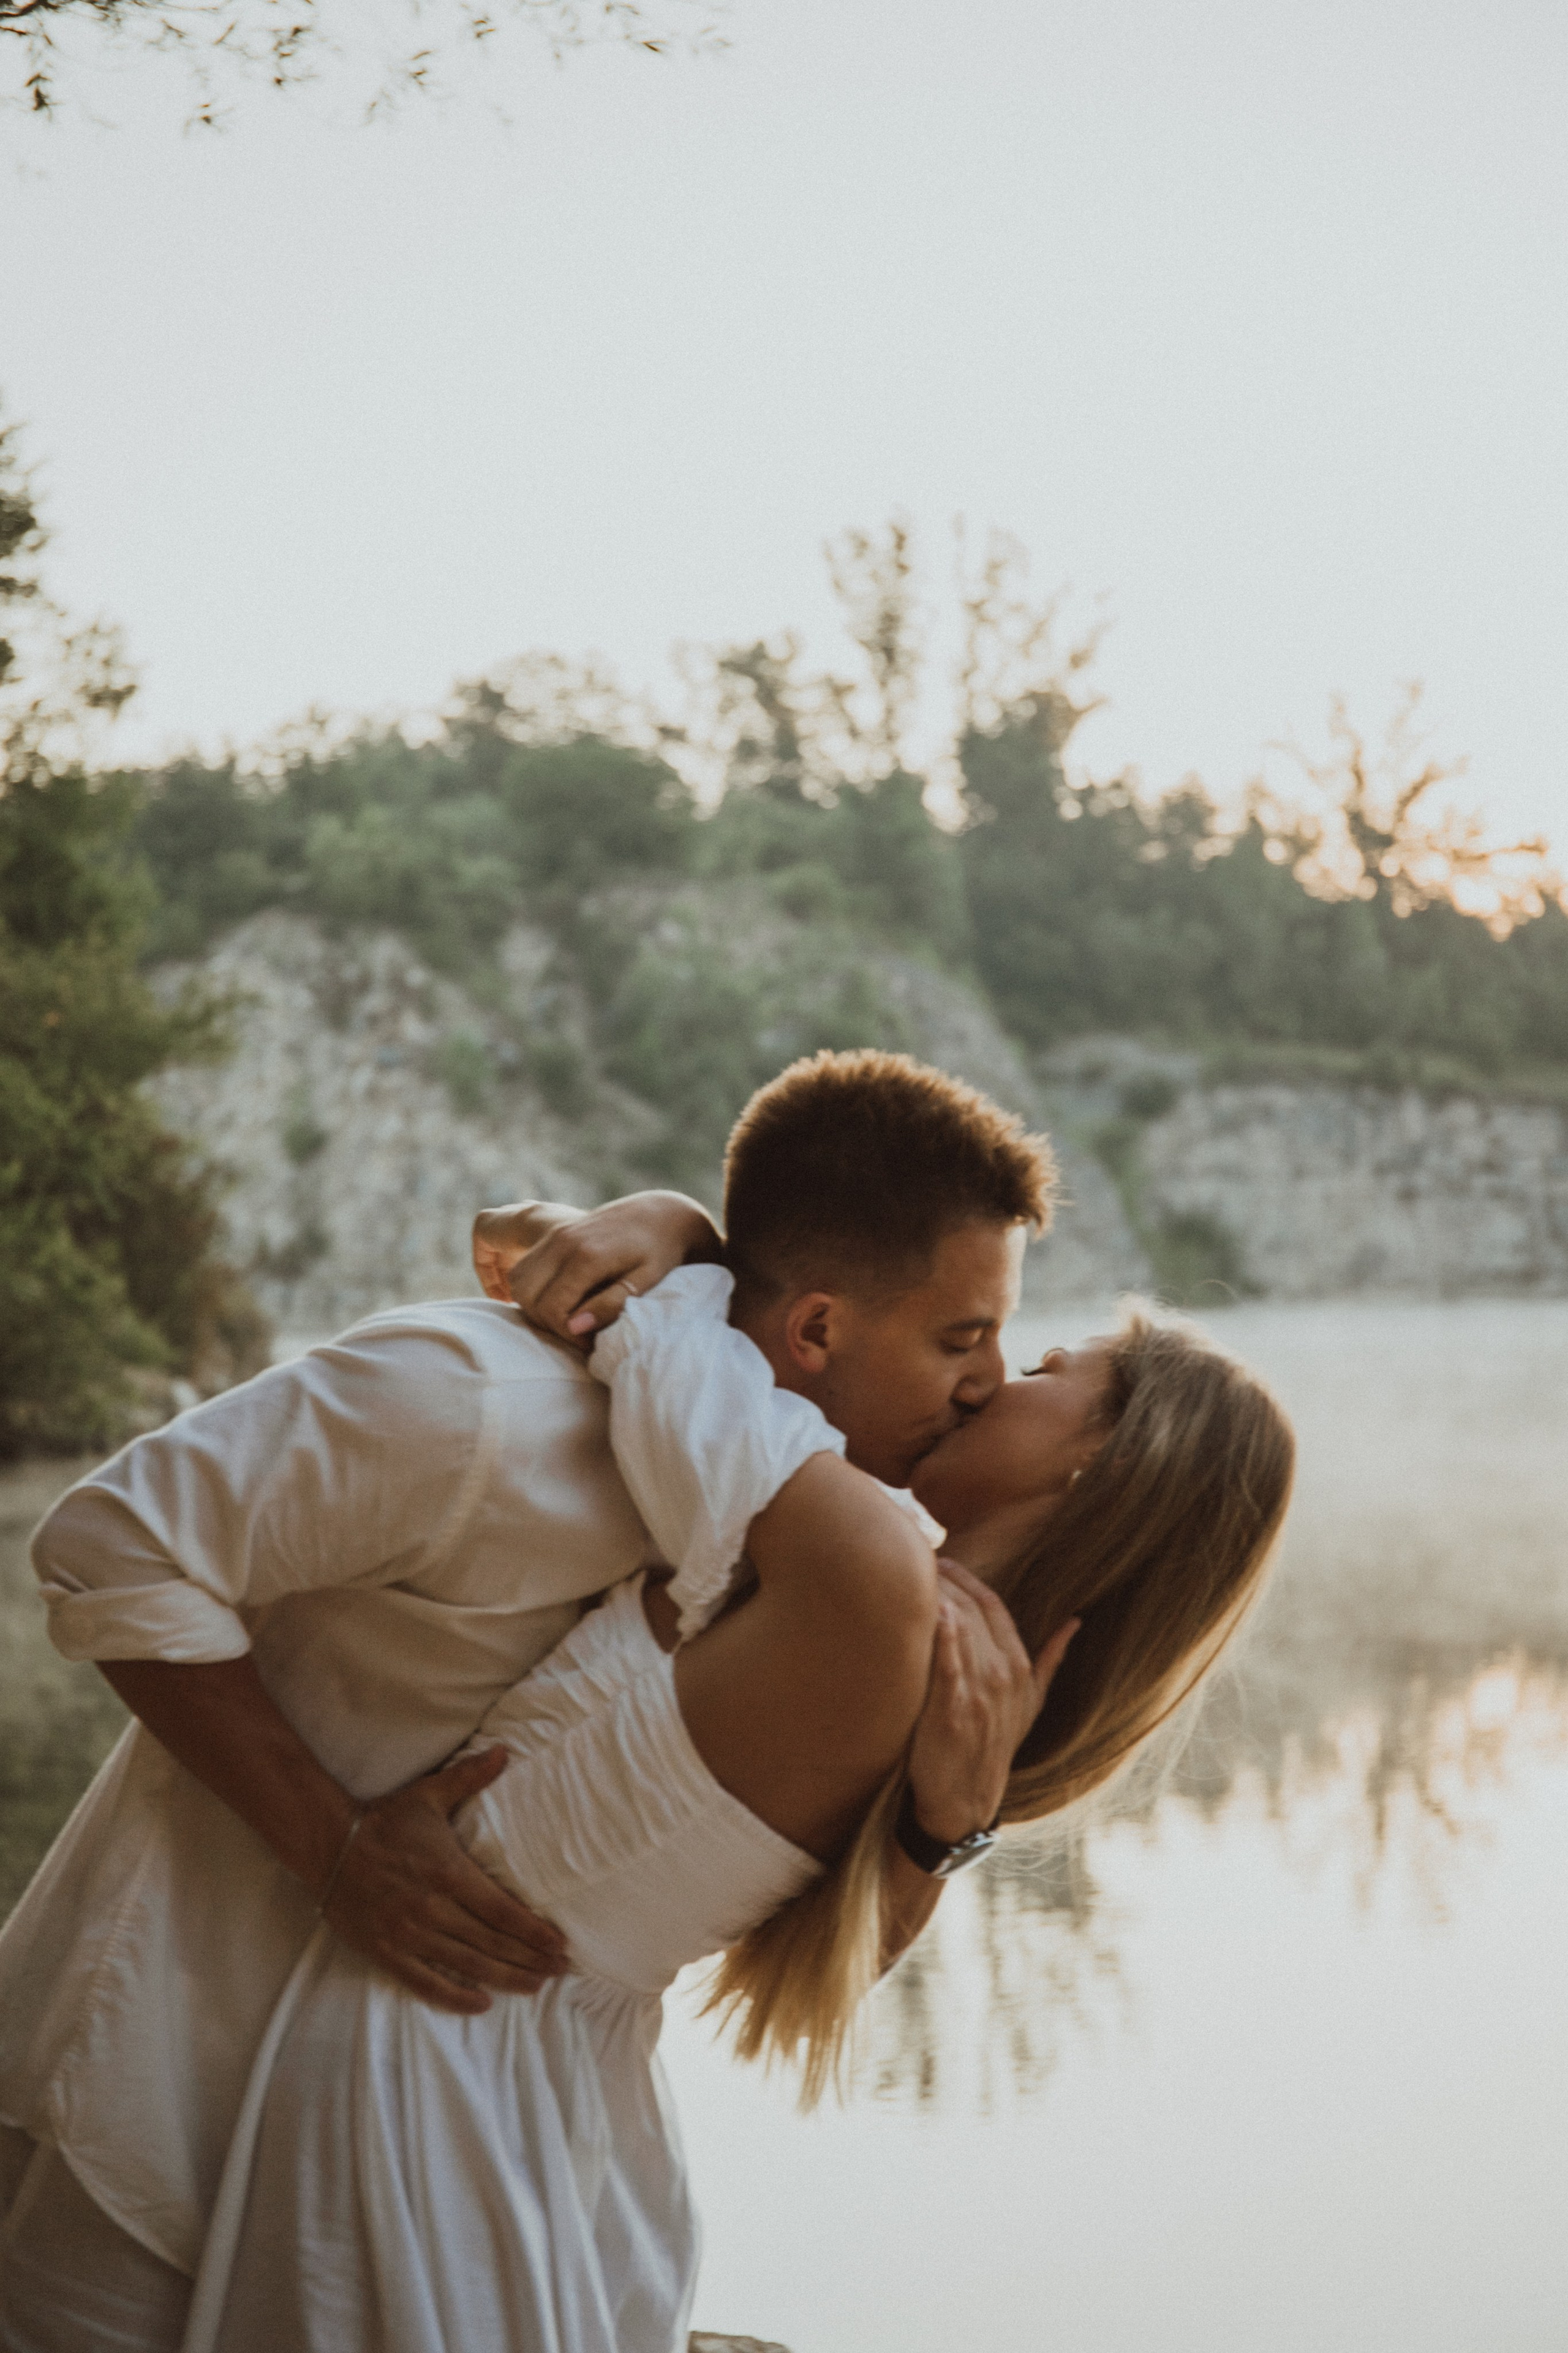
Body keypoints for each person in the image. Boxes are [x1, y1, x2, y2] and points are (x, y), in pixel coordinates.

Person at [0, 1051, 1052, 2351]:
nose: (993, 1381)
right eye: (964, 1335)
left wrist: (945, 1824)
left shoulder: (792, 1544)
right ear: (819, 1329)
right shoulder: (474, 1403)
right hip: (145, 2090)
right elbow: (111, 1547)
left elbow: (773, 1941)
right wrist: (331, 1843)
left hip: (438, 2149)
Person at [172, 1257, 1294, 2353]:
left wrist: (659, 1223)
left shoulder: (864, 1576)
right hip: (557, 2107)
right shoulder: (946, 1699)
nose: (996, 1378)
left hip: (436, 2076)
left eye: (1052, 1367)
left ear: (1097, 1462)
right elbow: (821, 1961)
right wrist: (942, 1834)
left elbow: (658, 1333)